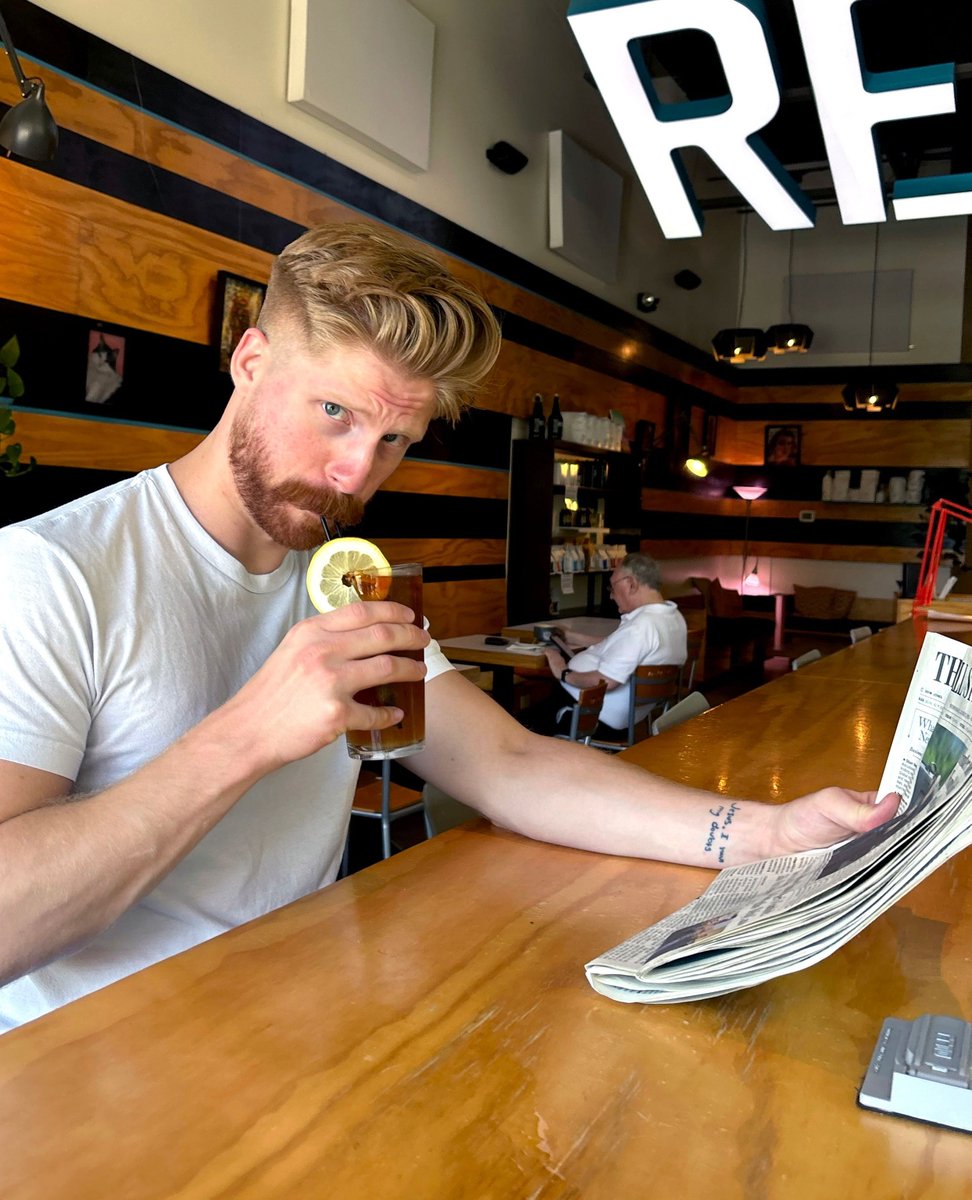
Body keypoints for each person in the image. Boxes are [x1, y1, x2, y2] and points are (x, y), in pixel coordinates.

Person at [0, 223, 897, 1032]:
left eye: (396, 440)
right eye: (335, 413)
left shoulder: (345, 580)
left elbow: (511, 766)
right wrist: (246, 736)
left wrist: (768, 834)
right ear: (250, 360)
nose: (357, 474)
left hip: (306, 1029)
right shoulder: (52, 572)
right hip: (99, 1073)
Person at [542, 553, 687, 732]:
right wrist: (575, 638)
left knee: (522, 723)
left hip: (590, 716)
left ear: (631, 584)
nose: (611, 596)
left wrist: (562, 672)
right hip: (629, 715)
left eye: (612, 587)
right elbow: (625, 646)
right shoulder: (672, 617)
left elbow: (607, 681)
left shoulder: (642, 626)